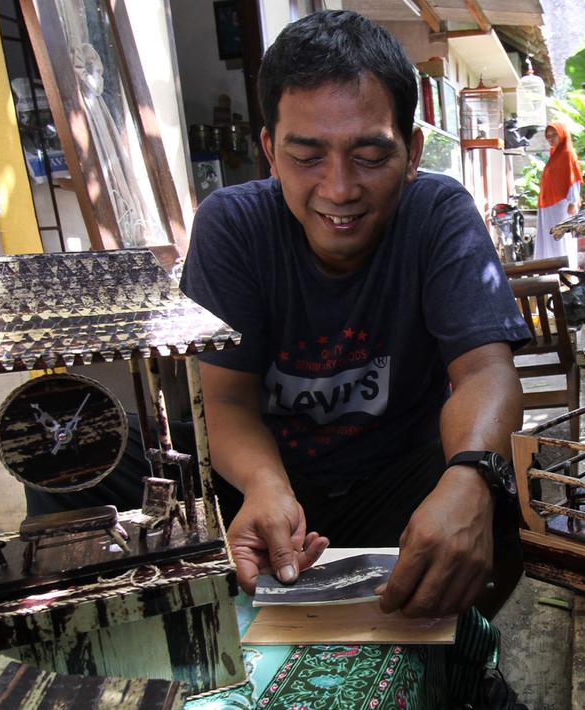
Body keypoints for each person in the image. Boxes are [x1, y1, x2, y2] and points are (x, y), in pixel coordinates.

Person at [179, 10, 531, 621]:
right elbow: (227, 402)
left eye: (369, 154)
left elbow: (485, 374)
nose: (339, 189)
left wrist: (469, 480)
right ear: (269, 150)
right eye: (307, 156)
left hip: (398, 484)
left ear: (413, 151)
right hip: (274, 488)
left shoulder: (437, 213)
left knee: (503, 492)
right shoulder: (231, 225)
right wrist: (265, 487)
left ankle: (461, 667)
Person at [532, 122, 583, 269]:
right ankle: (551, 269)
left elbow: (573, 179)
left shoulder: (567, 153)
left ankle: (564, 270)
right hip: (549, 206)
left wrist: (573, 201)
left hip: (562, 205)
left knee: (560, 238)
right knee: (550, 238)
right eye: (548, 136)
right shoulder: (555, 155)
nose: (551, 138)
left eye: (554, 134)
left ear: (562, 134)